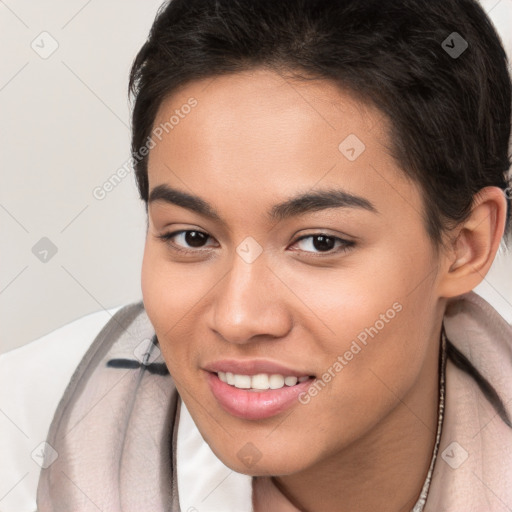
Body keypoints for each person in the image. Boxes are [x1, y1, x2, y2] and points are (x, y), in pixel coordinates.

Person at [1, 0, 512, 510]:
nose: (239, 318)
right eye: (192, 238)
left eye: (320, 242)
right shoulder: (23, 445)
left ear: (466, 247)